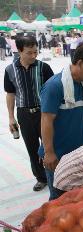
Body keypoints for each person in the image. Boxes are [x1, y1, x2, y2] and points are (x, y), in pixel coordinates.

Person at [39, 43, 83, 200]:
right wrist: (49, 152)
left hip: (78, 153)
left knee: (78, 198)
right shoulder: (55, 86)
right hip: (58, 156)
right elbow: (46, 120)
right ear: (80, 63)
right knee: (58, 199)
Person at [4, 36, 54, 192]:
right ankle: (41, 178)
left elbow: (53, 90)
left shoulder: (44, 67)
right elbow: (10, 94)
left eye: (35, 52)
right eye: (29, 53)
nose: (33, 56)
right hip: (24, 114)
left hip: (43, 112)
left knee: (49, 144)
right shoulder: (10, 70)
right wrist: (11, 117)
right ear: (19, 51)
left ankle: (55, 174)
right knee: (32, 147)